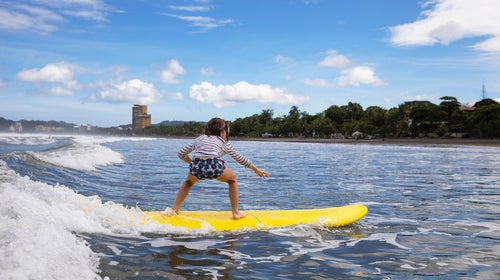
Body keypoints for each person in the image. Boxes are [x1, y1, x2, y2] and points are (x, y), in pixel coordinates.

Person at [167, 117, 269, 220]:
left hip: (195, 166)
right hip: (213, 166)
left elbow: (181, 153)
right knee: (232, 180)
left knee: (188, 182)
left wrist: (191, 162)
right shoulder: (223, 142)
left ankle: (174, 210)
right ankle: (236, 213)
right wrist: (256, 170)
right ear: (222, 131)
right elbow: (240, 159)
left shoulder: (199, 139)